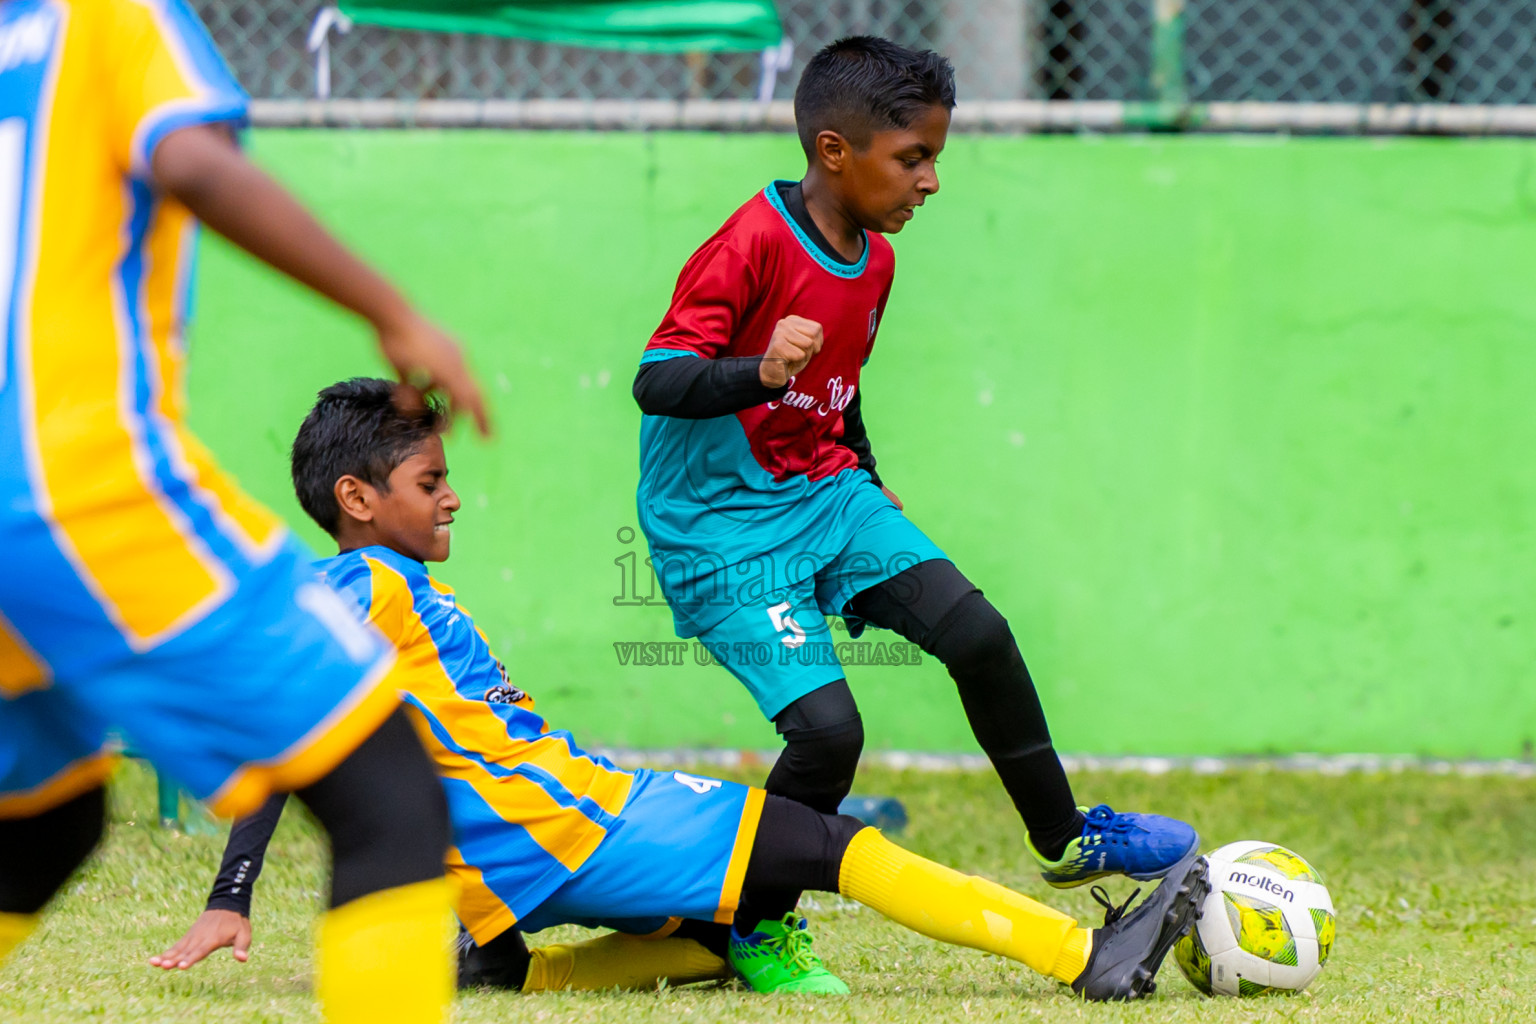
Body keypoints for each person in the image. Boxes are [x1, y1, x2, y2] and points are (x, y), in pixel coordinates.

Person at [157, 378, 1208, 1002]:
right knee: (833, 848)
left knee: (725, 924)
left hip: (532, 841)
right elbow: (284, 730)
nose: (453, 495)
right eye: (430, 483)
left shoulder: (382, 584)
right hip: (567, 825)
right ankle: (1085, 956)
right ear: (357, 497)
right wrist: (228, 897)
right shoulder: (363, 583)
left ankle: (509, 971)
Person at [629, 34, 1198, 991]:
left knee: (978, 633)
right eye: (914, 158)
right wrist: (758, 371)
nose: (930, 181)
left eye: (935, 156)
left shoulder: (876, 260)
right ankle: (753, 931)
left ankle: (1063, 837)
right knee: (827, 735)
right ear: (834, 151)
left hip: (826, 493)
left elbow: (839, 389)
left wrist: (865, 469)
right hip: (719, 529)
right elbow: (658, 380)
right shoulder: (751, 242)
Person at [0, 4, 489, 1022]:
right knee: (392, 801)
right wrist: (390, 307)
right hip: (70, 491)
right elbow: (192, 161)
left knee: (43, 818)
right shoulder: (110, 18)